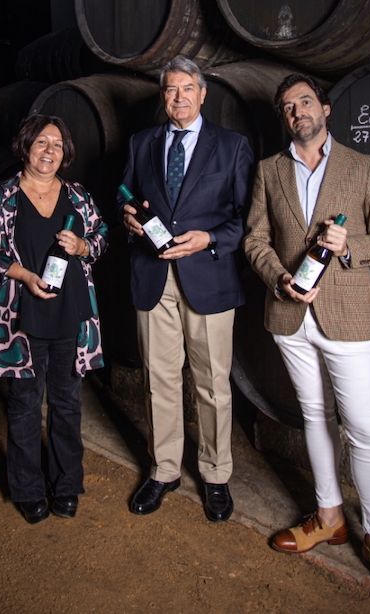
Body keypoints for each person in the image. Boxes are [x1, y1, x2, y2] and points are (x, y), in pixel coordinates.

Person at [242, 74, 370, 604]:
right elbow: (255, 237)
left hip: (348, 318)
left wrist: (349, 246)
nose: (297, 111)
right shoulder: (269, 170)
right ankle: (329, 517)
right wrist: (278, 277)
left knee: (363, 428)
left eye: (305, 101)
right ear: (284, 118)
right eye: (288, 106)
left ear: (326, 109)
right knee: (313, 416)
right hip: (290, 315)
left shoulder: (362, 168)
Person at [120, 55, 254, 522]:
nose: (177, 98)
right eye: (170, 90)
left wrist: (210, 238)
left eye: (186, 89)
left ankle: (216, 476)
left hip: (209, 278)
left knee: (214, 385)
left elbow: (245, 222)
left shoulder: (232, 146)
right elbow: (127, 199)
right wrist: (130, 222)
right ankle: (165, 469)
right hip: (152, 275)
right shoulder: (141, 143)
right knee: (159, 381)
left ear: (202, 94)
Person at [0, 114, 107, 525]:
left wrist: (85, 245)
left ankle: (67, 485)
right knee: (25, 405)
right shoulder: (4, 197)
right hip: (22, 315)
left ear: (65, 152)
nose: (49, 151)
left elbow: (102, 235)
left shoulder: (79, 196)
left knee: (67, 405)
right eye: (41, 143)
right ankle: (29, 490)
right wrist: (24, 275)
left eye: (56, 144)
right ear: (25, 147)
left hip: (71, 315)